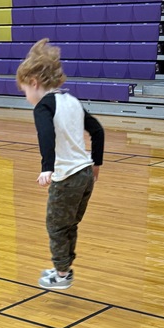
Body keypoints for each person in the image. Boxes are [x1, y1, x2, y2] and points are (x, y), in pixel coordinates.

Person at [16, 39, 104, 291]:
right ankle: (63, 267)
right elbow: (97, 130)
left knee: (55, 226)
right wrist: (96, 163)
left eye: (25, 91)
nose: (26, 98)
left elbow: (46, 135)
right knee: (68, 224)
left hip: (66, 178)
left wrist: (47, 167)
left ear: (34, 82)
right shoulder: (72, 101)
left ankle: (62, 274)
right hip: (85, 174)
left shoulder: (44, 106)